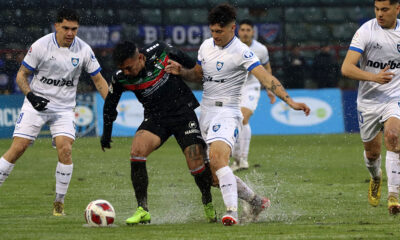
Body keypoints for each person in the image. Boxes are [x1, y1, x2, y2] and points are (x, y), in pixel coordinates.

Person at [166, 3, 310, 226]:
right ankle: (256, 201)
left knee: (217, 159)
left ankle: (231, 212)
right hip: (206, 112)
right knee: (214, 176)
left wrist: (289, 101)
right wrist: (181, 72)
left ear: (232, 28)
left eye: (219, 32)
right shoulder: (205, 46)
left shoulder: (242, 52)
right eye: (212, 31)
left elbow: (266, 78)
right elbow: (198, 75)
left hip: (228, 112)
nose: (215, 36)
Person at [0, 8, 108, 216]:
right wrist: (31, 97)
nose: (70, 33)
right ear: (56, 25)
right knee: (18, 149)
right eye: (66, 28)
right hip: (35, 103)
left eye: (74, 29)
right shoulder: (41, 46)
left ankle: (59, 203)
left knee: (65, 149)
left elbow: (99, 80)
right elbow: (21, 75)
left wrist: (111, 104)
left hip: (64, 108)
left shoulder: (84, 50)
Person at [100, 41, 216, 225]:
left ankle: (207, 201)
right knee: (136, 152)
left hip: (183, 114)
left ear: (139, 57)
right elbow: (110, 106)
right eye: (123, 69)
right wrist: (106, 134)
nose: (127, 73)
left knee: (196, 164)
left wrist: (182, 70)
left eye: (129, 68)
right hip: (156, 119)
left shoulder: (162, 52)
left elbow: (195, 68)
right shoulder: (121, 77)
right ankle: (142, 209)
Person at [341, 0, 400, 215]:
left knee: (393, 136)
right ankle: (376, 178)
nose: (379, 14)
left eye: (384, 9)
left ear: (397, 9)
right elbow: (346, 68)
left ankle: (394, 196)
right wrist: (374, 78)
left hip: (395, 97)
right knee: (372, 153)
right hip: (368, 102)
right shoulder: (366, 31)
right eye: (376, 9)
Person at [230, 19, 276, 172]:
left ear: (253, 32)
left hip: (252, 86)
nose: (245, 33)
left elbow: (267, 68)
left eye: (248, 30)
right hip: (234, 87)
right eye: (242, 29)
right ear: (238, 31)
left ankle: (243, 158)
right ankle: (237, 159)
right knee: (235, 120)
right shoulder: (231, 47)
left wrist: (270, 89)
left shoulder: (261, 49)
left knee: (243, 117)